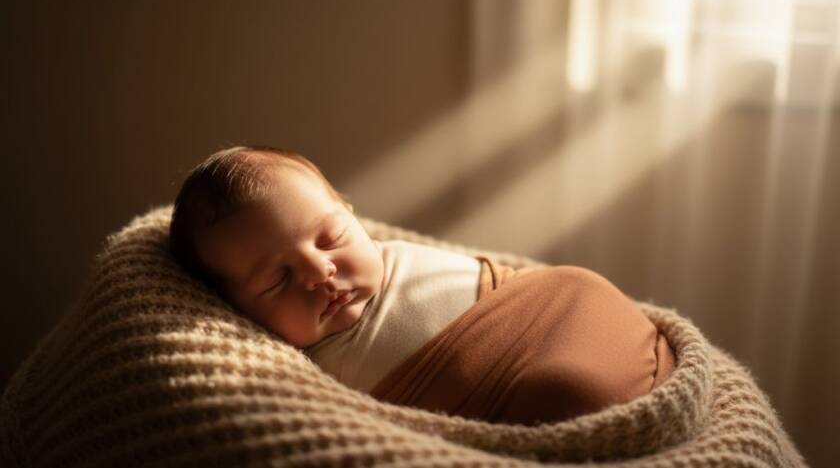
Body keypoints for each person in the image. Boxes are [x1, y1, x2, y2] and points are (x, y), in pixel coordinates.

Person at [169, 145, 676, 425]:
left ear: (350, 211)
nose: (319, 272)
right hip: (525, 388)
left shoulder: (387, 251)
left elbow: (508, 281)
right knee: (567, 394)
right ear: (235, 311)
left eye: (330, 236)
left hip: (559, 306)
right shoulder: (306, 376)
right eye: (278, 279)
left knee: (580, 298)